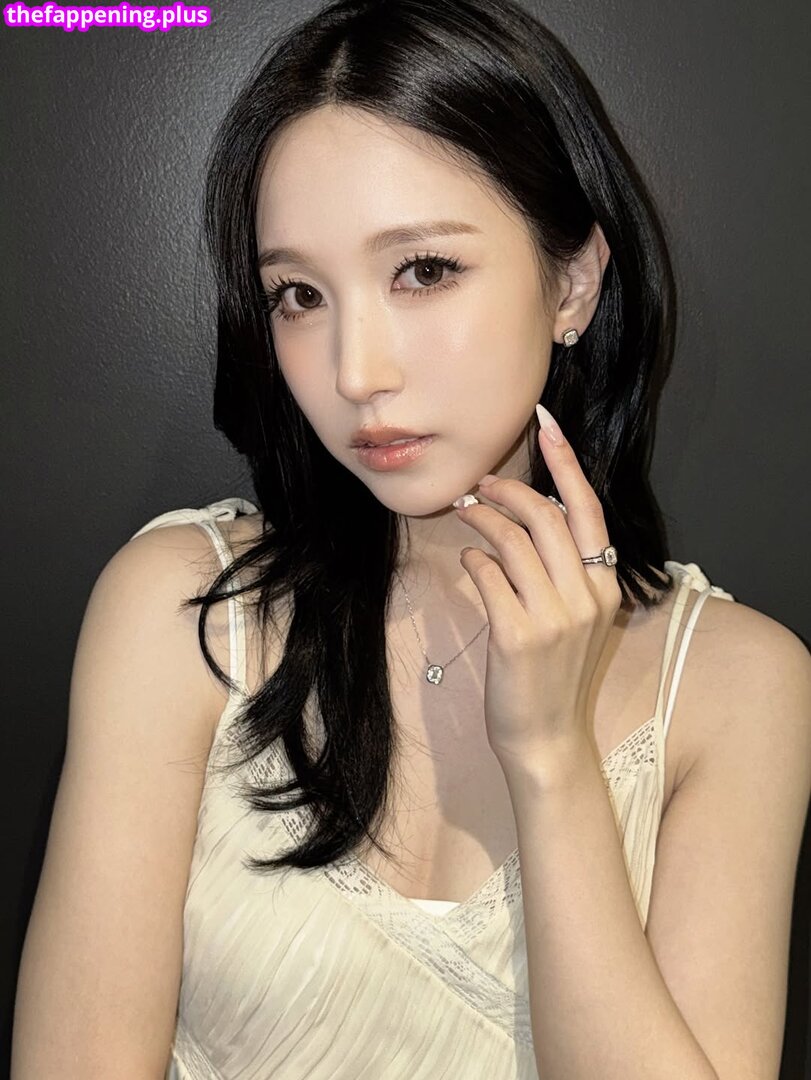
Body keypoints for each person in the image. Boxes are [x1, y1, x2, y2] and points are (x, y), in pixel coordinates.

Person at [11, 1, 811, 1077]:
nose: (356, 372)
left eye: (424, 270)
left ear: (572, 282)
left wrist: (550, 760)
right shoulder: (186, 611)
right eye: (299, 294)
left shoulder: (737, 688)